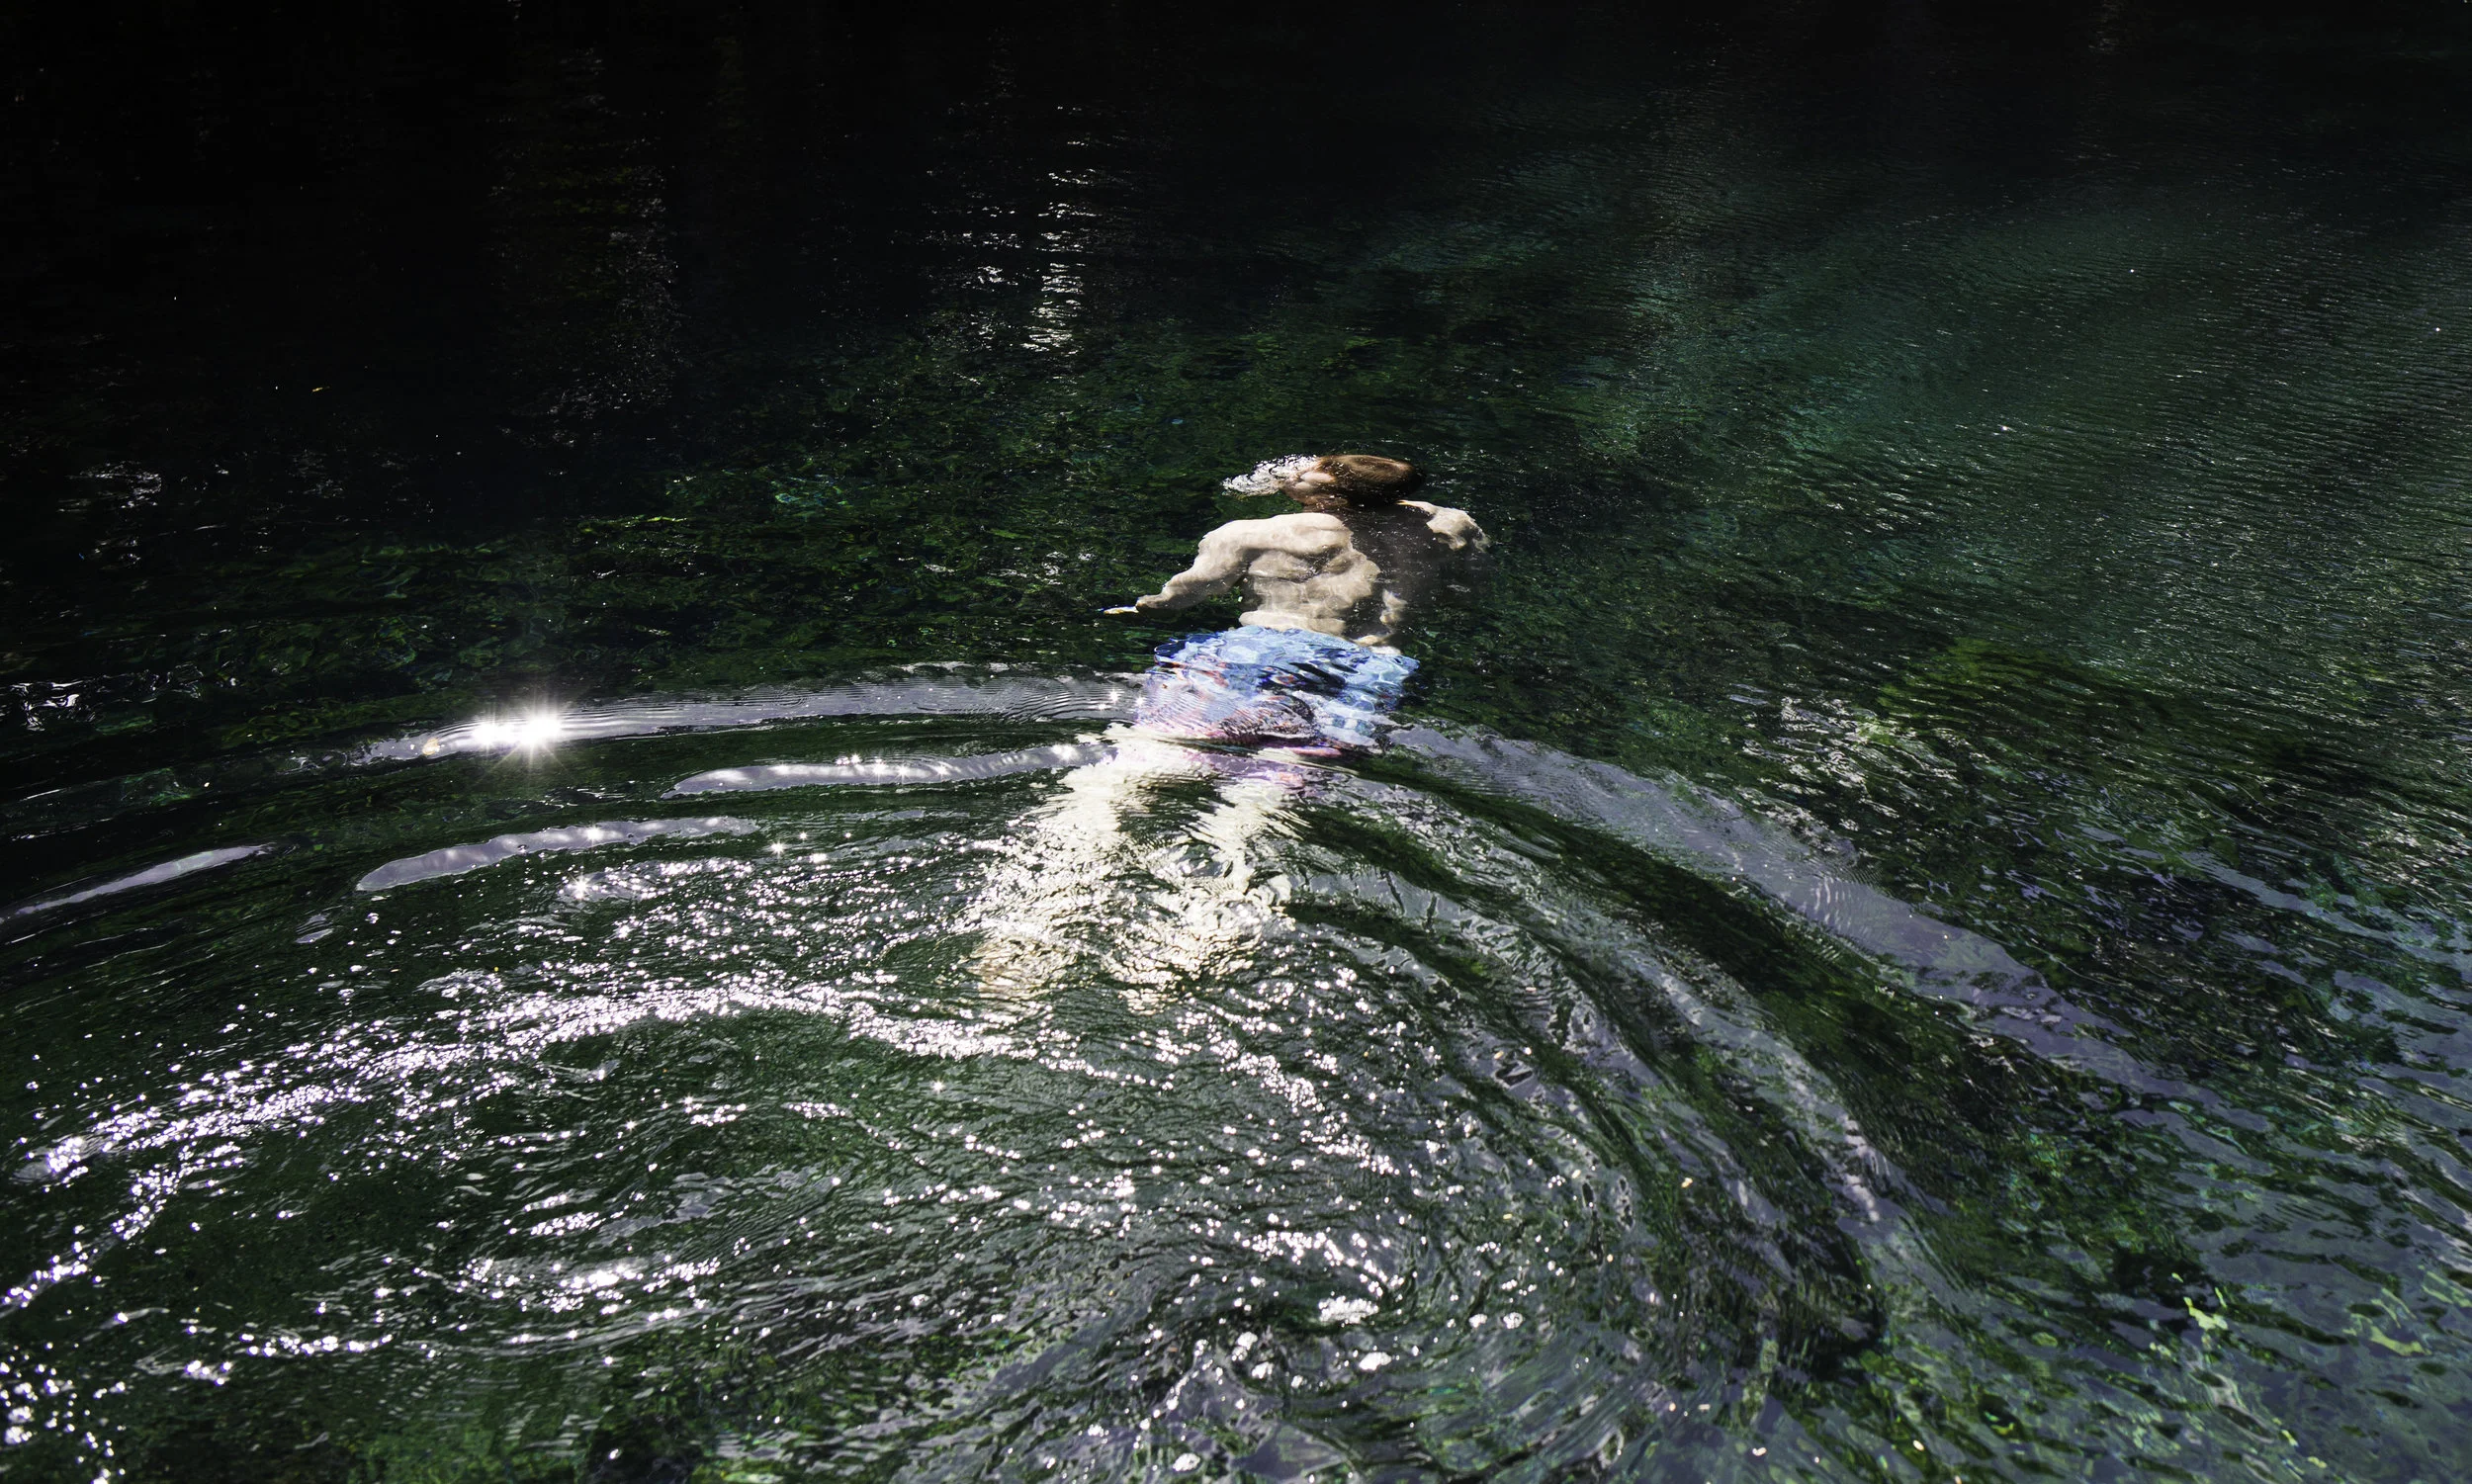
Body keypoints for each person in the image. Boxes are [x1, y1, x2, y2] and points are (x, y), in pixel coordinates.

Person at [1104, 454, 1489, 754]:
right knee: (1295, 769)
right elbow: (1467, 593)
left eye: (1307, 475)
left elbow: (1186, 594)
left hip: (1264, 651)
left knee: (1166, 742)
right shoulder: (1454, 526)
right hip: (1371, 667)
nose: (1295, 474)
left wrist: (1145, 608)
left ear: (1330, 499)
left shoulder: (1250, 533)